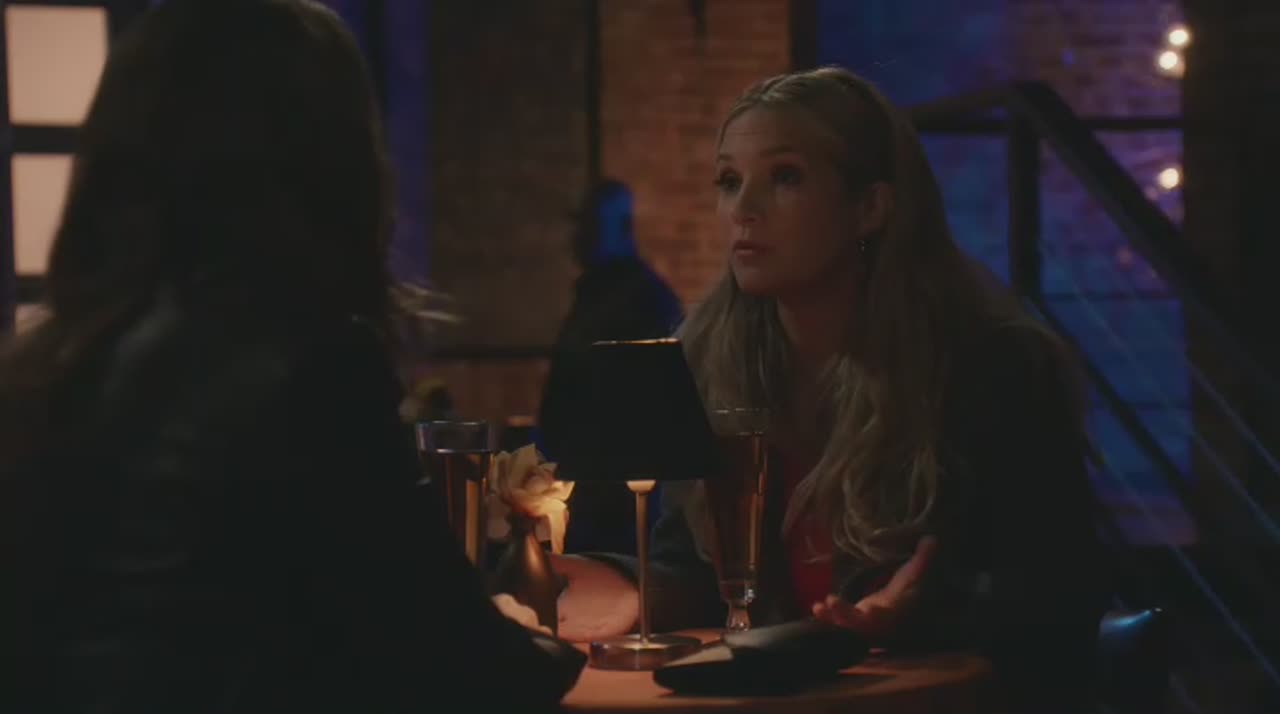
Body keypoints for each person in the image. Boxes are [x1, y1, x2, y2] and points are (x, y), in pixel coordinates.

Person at [0, 1, 581, 712]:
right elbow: (461, 662)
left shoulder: (51, 373)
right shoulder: (307, 370)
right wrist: (556, 650)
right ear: (332, 167)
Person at [553, 67, 1106, 710]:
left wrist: (924, 616)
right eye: (729, 181)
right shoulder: (709, 360)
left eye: (785, 177)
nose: (744, 209)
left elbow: (1060, 599)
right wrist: (618, 586)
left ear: (869, 207)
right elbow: (703, 567)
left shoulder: (990, 368)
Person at [538, 179, 683, 554]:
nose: (578, 237)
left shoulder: (643, 301)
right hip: (585, 492)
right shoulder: (597, 296)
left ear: (621, 228)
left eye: (589, 225)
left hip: (617, 507)